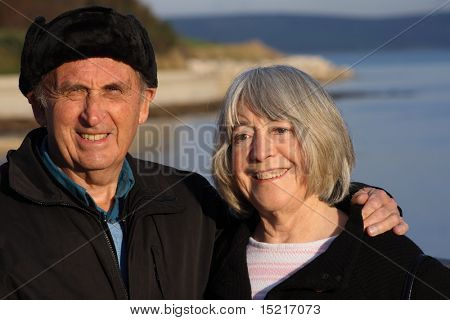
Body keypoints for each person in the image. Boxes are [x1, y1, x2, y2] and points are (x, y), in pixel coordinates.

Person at [0, 7, 406, 299]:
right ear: (39, 105)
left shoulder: (190, 200)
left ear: (144, 104)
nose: (93, 114)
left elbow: (276, 199)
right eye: (74, 92)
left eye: (113, 91)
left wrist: (357, 197)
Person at [206, 65, 450, 299]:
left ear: (321, 139)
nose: (260, 152)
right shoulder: (208, 254)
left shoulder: (395, 269)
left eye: (280, 130)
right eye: (243, 136)